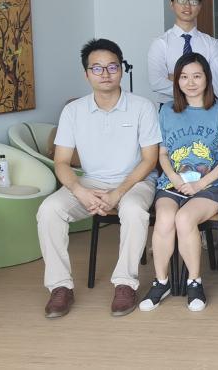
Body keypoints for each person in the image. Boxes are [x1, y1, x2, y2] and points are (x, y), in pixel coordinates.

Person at [37, 39, 160, 318]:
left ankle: (125, 284)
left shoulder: (142, 107)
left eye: (112, 67)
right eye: (97, 68)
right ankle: (60, 286)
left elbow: (149, 160)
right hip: (90, 182)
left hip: (135, 181)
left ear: (121, 70)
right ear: (87, 74)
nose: (105, 74)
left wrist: (118, 193)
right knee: (49, 210)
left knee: (133, 211)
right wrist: (79, 190)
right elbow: (61, 162)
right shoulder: (73, 111)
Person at [140, 53, 218, 313]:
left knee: (184, 219)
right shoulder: (167, 111)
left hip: (211, 185)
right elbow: (163, 154)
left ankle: (194, 281)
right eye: (184, 77)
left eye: (197, 76)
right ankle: (161, 281)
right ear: (176, 80)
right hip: (173, 183)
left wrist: (200, 185)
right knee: (164, 219)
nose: (190, 82)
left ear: (207, 79)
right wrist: (175, 179)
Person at [147, 0, 218, 105]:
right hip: (171, 108)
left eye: (193, 2)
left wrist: (175, 78)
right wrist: (197, 86)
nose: (187, 6)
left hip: (205, 108)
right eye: (181, 1)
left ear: (200, 6)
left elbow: (216, 81)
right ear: (172, 4)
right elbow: (157, 82)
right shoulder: (160, 44)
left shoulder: (212, 44)